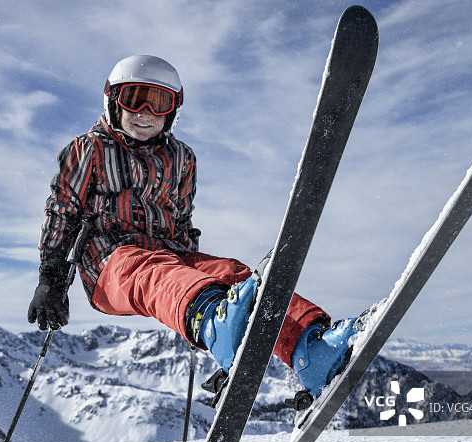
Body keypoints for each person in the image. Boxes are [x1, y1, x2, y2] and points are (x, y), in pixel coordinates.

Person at [28, 54, 357, 408]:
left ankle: (309, 347)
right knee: (152, 271)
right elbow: (62, 211)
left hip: (171, 253)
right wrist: (51, 278)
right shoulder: (88, 149)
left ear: (172, 111)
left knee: (232, 273)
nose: (145, 112)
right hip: (111, 265)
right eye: (134, 99)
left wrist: (199, 268)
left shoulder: (182, 158)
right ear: (113, 101)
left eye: (159, 103)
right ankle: (211, 319)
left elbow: (181, 217)